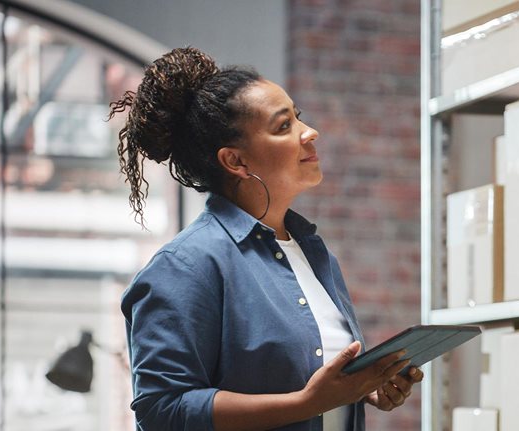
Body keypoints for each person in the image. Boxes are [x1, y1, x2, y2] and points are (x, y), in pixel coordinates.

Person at [112, 47, 423, 431]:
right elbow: (162, 409)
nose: (310, 133)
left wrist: (361, 388)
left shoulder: (313, 252)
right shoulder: (186, 266)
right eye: (283, 126)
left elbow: (311, 380)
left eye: (298, 118)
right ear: (236, 162)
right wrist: (305, 403)